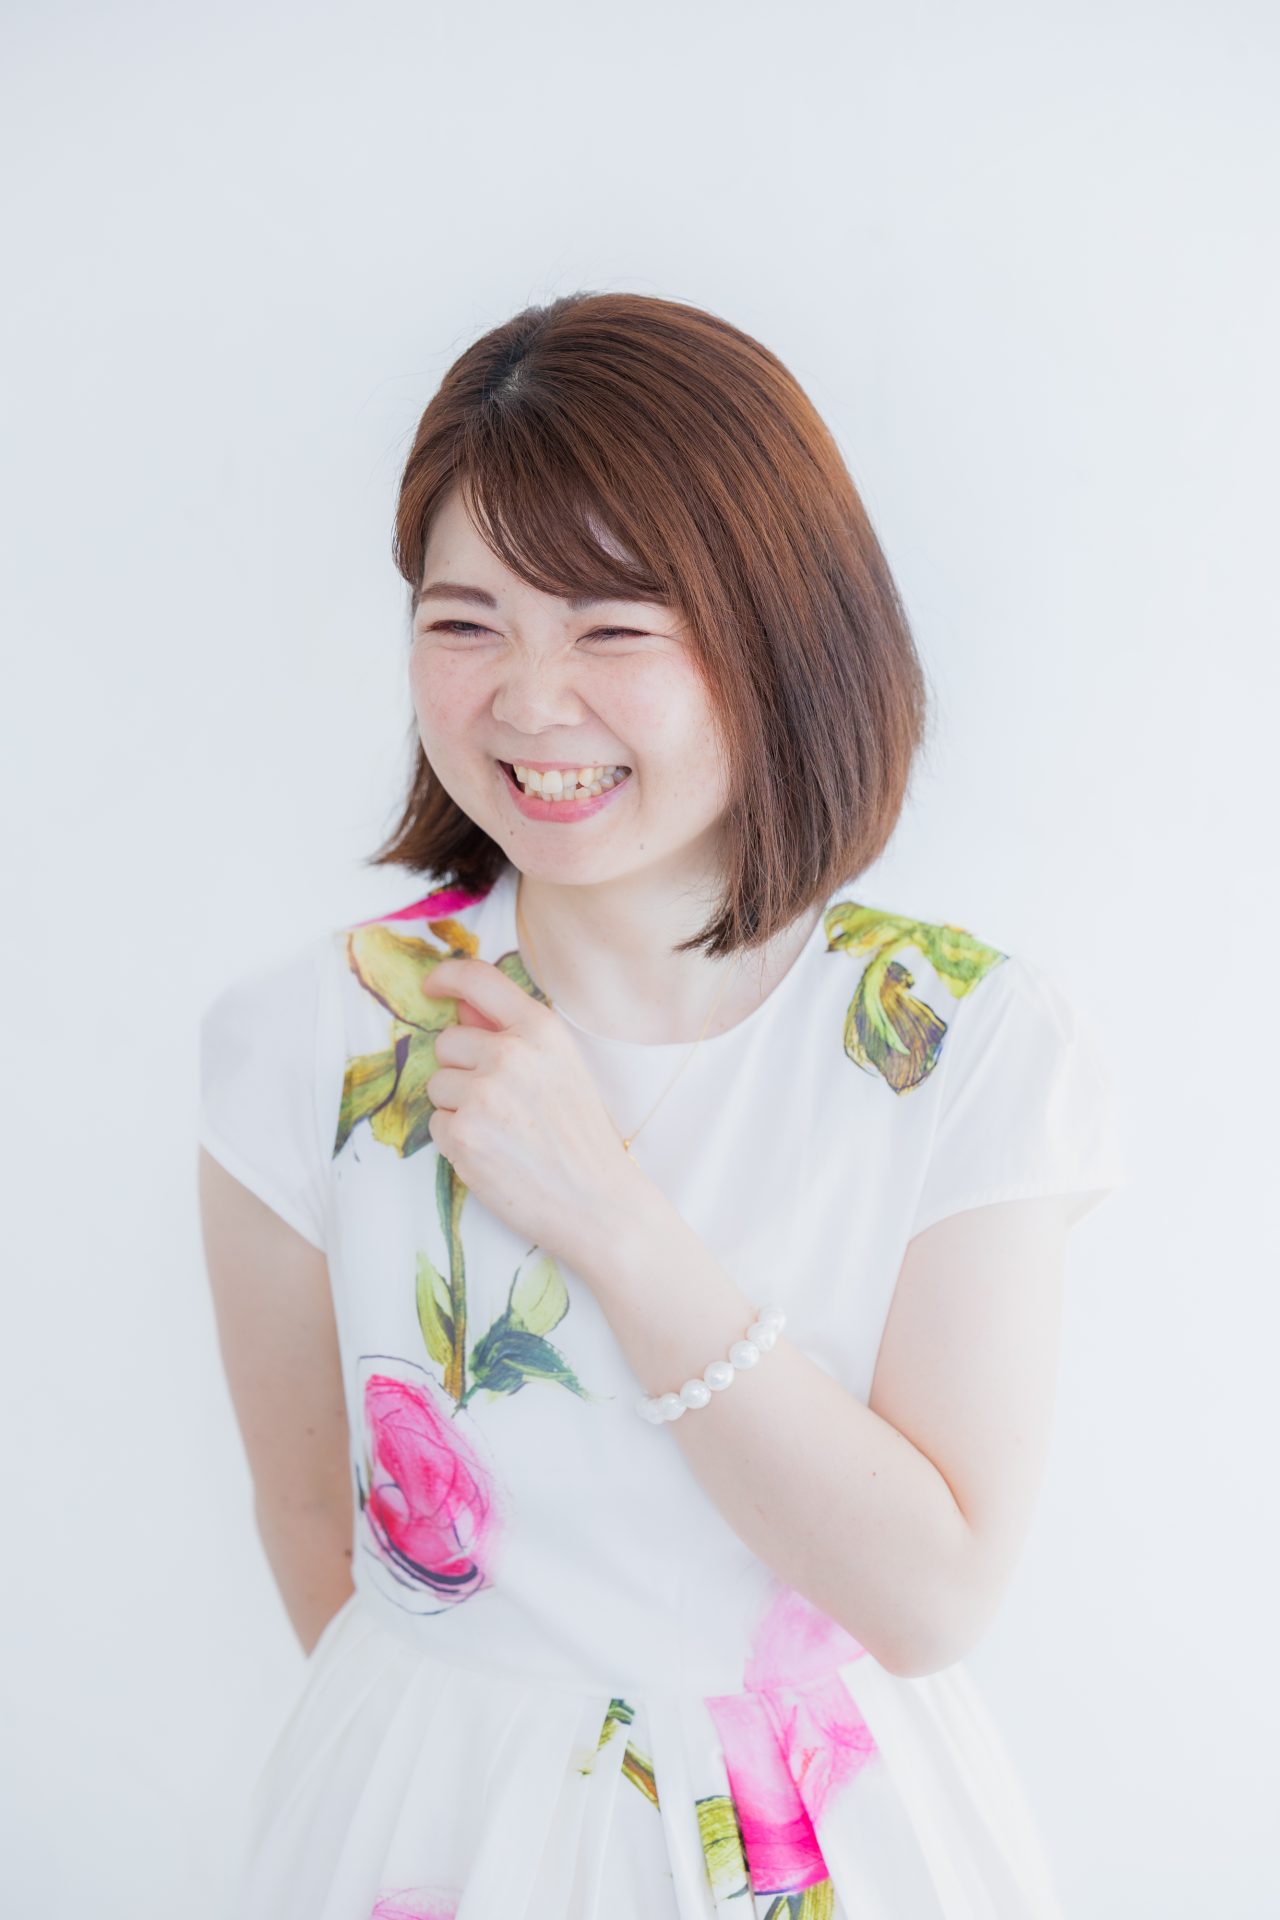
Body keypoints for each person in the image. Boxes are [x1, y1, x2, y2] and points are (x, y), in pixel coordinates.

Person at [196, 290, 1131, 1919]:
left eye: (613, 630)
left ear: (780, 635)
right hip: (422, 1835)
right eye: (466, 621)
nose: (528, 699)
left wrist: (612, 1220)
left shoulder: (962, 1043)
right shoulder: (306, 1041)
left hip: (836, 1850)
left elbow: (931, 1598)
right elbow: (317, 1536)